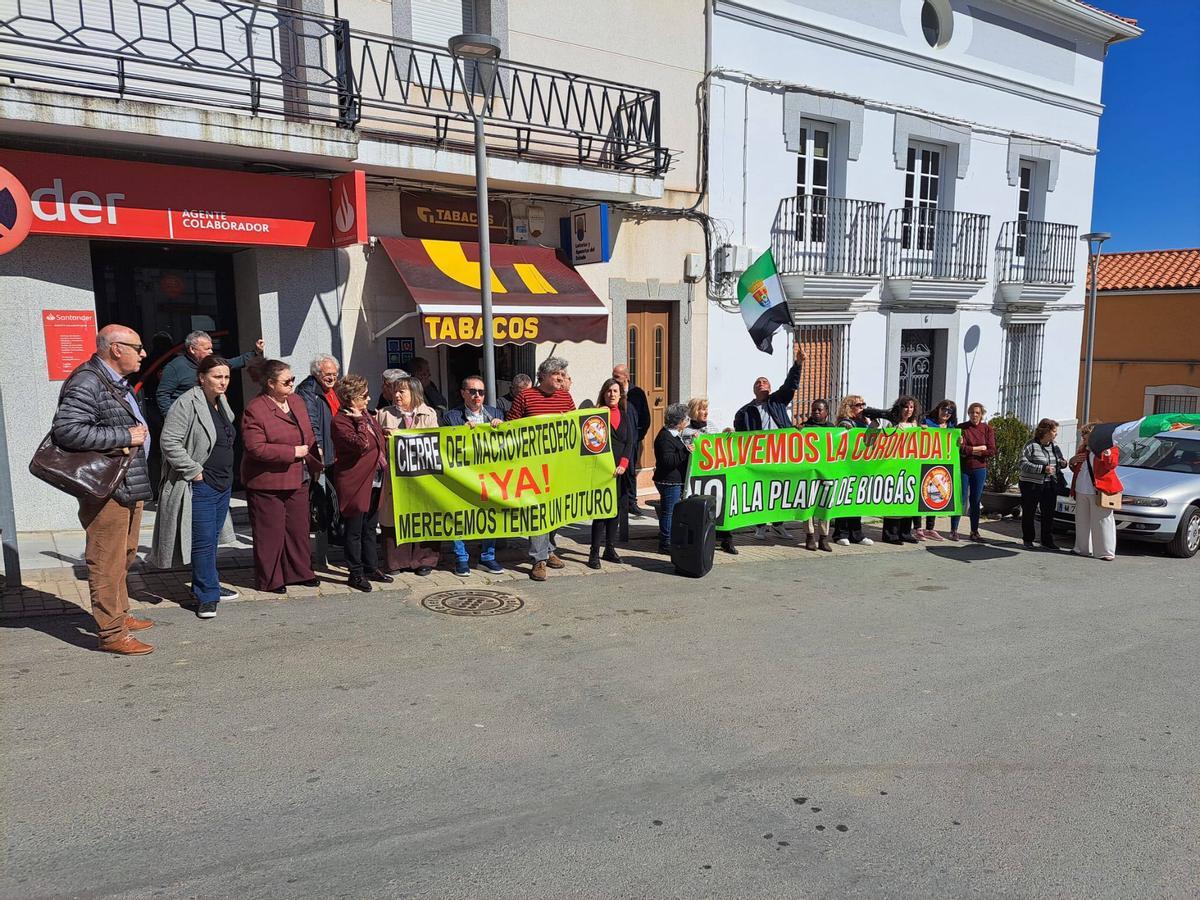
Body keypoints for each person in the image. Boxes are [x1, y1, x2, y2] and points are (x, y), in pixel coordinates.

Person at [51, 325, 156, 655]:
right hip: (107, 486)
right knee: (106, 559)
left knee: (123, 554)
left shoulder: (112, 381)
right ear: (115, 349)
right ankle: (111, 633)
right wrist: (126, 436)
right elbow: (66, 431)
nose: (143, 354)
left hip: (127, 482)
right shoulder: (88, 380)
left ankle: (121, 616)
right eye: (137, 347)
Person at [148, 355, 239, 619]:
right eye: (217, 377)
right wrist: (194, 471)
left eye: (226, 377)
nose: (223, 382)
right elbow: (169, 442)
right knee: (201, 542)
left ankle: (210, 584)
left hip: (222, 483)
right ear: (202, 377)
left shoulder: (219, 401)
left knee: (211, 541)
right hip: (200, 485)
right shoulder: (186, 403)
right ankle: (205, 597)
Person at [241, 360, 323, 594]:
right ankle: (271, 579)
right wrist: (291, 452)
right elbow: (254, 447)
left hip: (299, 476)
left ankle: (300, 572)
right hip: (267, 481)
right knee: (271, 533)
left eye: (293, 379)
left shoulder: (296, 401)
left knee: (298, 529)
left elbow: (307, 432)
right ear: (270, 383)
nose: (292, 384)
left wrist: (314, 457)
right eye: (286, 381)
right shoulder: (256, 408)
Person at [506, 356, 576, 581]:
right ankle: (539, 560)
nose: (562, 378)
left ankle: (549, 548)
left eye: (563, 375)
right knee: (538, 511)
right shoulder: (526, 396)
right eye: (558, 374)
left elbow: (575, 425)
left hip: (559, 466)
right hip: (534, 468)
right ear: (543, 375)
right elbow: (512, 424)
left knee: (556, 509)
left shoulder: (565, 396)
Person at [732, 342, 806, 547]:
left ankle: (779, 523)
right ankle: (760, 525)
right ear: (753, 389)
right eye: (757, 382)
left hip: (782, 454)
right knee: (760, 489)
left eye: (764, 382)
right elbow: (740, 434)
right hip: (759, 456)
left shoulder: (778, 401)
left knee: (780, 489)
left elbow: (790, 385)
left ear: (770, 388)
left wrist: (797, 364)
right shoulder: (744, 411)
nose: (761, 384)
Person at [331, 374, 394, 592]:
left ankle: (371, 566)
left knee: (369, 527)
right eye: (364, 396)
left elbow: (374, 438)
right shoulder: (341, 421)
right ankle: (355, 573)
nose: (368, 399)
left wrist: (383, 434)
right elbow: (359, 445)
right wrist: (358, 421)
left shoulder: (367, 415)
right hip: (355, 481)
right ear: (351, 398)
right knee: (354, 530)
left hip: (375, 478)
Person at [441, 376, 506, 577]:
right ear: (463, 393)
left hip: (489, 476)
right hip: (462, 476)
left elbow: (509, 445)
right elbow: (444, 445)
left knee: (490, 514)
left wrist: (502, 427)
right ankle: (461, 558)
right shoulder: (451, 417)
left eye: (481, 392)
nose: (477, 396)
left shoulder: (496, 413)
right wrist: (459, 432)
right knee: (458, 515)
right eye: (472, 391)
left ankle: (487, 556)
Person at [376, 376, 440, 575]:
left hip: (422, 476)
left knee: (423, 516)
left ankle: (424, 560)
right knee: (393, 517)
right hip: (394, 476)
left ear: (414, 393)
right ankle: (396, 562)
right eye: (394, 391)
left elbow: (434, 442)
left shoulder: (429, 414)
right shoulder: (384, 414)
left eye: (401, 391)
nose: (396, 395)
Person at [585, 378, 634, 569]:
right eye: (608, 391)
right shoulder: (597, 415)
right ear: (603, 394)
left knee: (615, 512)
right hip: (602, 472)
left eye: (615, 391)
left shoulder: (625, 414)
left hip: (620, 471)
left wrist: (623, 464)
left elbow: (630, 442)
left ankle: (610, 549)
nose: (611, 394)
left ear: (620, 395)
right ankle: (594, 552)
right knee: (601, 512)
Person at [155, 330, 264, 416]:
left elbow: (234, 362)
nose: (211, 351)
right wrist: (172, 418)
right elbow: (162, 395)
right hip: (186, 417)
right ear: (192, 349)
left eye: (211, 348)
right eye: (207, 349)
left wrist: (255, 352)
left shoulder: (212, 363)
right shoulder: (175, 367)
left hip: (210, 414)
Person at [296, 354, 342, 544]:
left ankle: (334, 531)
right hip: (325, 451)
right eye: (328, 374)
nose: (332, 377)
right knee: (323, 496)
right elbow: (312, 422)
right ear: (316, 374)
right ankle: (326, 535)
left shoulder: (334, 389)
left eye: (335, 373)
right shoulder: (308, 391)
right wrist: (319, 449)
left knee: (335, 494)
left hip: (337, 450)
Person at [864, 395, 923, 545]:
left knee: (908, 499)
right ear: (900, 408)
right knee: (894, 500)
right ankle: (891, 534)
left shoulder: (916, 425)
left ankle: (905, 532)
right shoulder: (892, 425)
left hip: (910, 467)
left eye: (911, 407)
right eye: (905, 407)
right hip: (894, 467)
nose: (908, 410)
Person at [1069, 423, 1123, 561]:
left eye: (1085, 435)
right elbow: (1077, 469)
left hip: (1100, 490)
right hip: (1081, 488)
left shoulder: (1109, 448)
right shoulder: (1083, 449)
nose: (1083, 438)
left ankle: (1105, 552)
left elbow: (1112, 465)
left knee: (1103, 521)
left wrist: (1107, 455)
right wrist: (1072, 461)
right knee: (1082, 520)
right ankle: (1082, 548)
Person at [831, 395, 875, 547]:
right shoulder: (846, 423)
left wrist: (871, 423)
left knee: (857, 501)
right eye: (859, 405)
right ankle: (840, 534)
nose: (862, 407)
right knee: (845, 500)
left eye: (863, 404)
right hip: (846, 467)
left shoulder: (863, 422)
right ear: (849, 408)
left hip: (861, 466)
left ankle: (857, 534)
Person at [1019, 418, 1065, 551]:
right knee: (1029, 511)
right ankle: (1028, 539)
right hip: (1031, 484)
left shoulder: (1054, 446)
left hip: (1050, 483)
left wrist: (1063, 463)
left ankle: (1047, 540)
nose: (1056, 434)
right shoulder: (1031, 445)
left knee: (1049, 513)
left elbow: (1059, 460)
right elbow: (1022, 463)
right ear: (1046, 431)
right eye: (1054, 431)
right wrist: (1042, 469)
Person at [613, 363, 651, 517]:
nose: (614, 379)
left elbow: (645, 417)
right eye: (613, 375)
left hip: (632, 440)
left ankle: (631, 502)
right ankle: (616, 502)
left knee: (629, 472)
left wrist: (638, 436)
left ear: (626, 376)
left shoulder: (637, 393)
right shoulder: (613, 392)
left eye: (617, 376)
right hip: (616, 440)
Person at [653, 403, 692, 554]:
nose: (687, 422)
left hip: (673, 480)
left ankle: (668, 538)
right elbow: (668, 461)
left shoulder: (673, 435)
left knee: (670, 511)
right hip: (669, 481)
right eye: (685, 419)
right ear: (679, 421)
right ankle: (665, 543)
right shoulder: (665, 437)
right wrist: (685, 451)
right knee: (669, 512)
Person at [919, 399, 960, 541]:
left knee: (934, 495)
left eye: (950, 411)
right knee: (920, 495)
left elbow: (955, 445)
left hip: (940, 466)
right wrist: (921, 430)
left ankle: (930, 528)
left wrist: (959, 441)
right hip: (923, 462)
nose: (946, 413)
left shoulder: (951, 426)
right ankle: (918, 528)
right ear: (938, 409)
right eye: (944, 409)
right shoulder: (927, 421)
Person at [798, 398, 835, 551]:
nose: (816, 412)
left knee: (825, 505)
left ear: (826, 412)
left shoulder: (833, 429)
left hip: (826, 473)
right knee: (808, 505)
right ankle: (809, 536)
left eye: (820, 410)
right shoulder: (804, 428)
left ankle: (824, 538)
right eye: (814, 410)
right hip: (809, 474)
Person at [958, 402, 996, 542]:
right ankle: (954, 530)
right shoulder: (962, 428)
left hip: (979, 469)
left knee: (975, 500)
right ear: (968, 413)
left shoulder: (987, 429)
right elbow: (960, 448)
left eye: (977, 413)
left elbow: (991, 450)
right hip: (963, 468)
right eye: (972, 412)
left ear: (981, 414)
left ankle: (974, 531)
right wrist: (978, 449)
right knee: (960, 499)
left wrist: (971, 450)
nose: (974, 415)